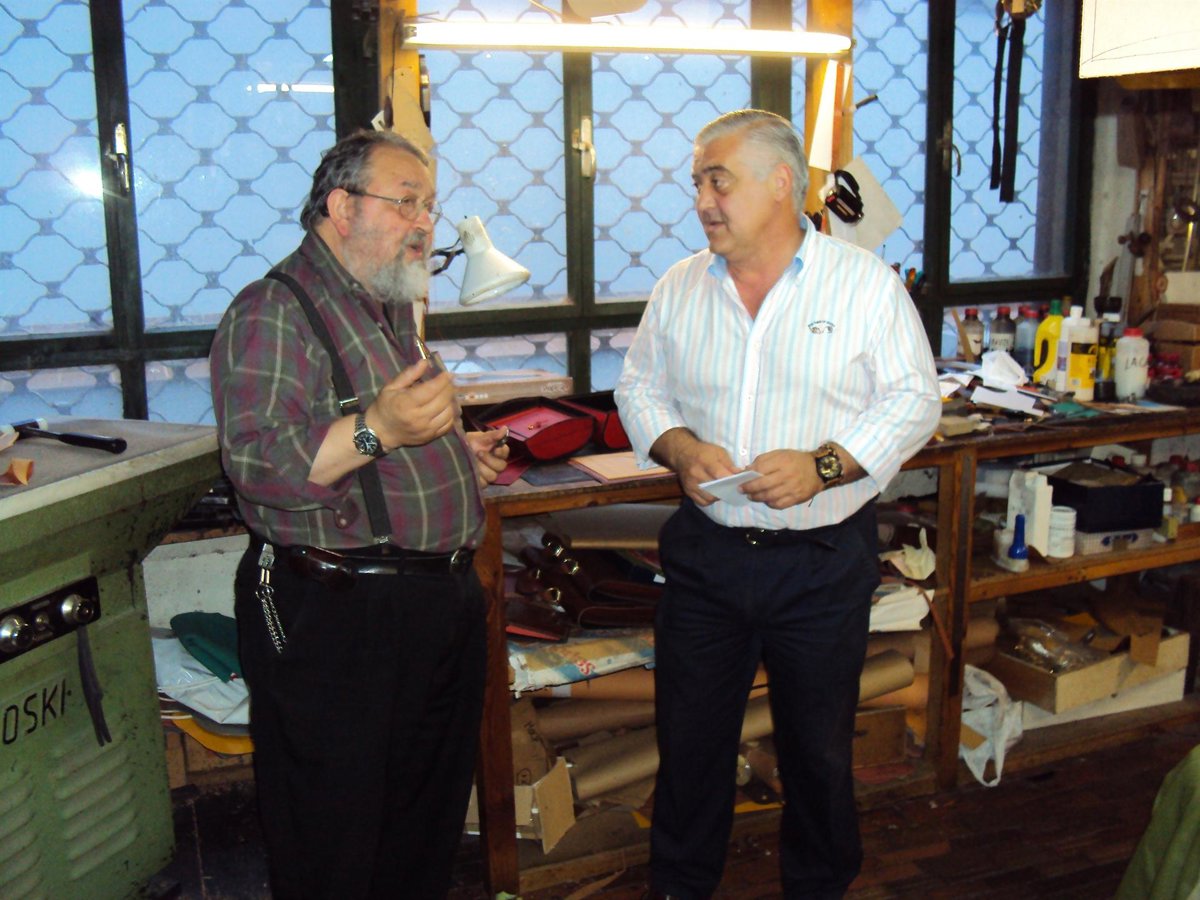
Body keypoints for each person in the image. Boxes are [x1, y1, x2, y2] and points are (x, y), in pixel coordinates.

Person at [615, 109, 940, 899]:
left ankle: (819, 888)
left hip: (820, 562)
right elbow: (639, 388)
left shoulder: (862, 284)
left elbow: (914, 401)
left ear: (781, 184)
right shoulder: (681, 286)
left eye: (718, 180)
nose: (703, 200)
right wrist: (681, 449)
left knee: (817, 755)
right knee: (689, 750)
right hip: (709, 557)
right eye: (698, 182)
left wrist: (824, 465)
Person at [209, 129, 509, 899]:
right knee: (332, 836)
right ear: (342, 208)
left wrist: (455, 455)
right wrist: (381, 429)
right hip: (339, 612)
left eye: (430, 206)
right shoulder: (273, 311)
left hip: (431, 604)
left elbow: (379, 435)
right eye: (406, 202)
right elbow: (258, 464)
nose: (426, 223)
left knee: (423, 825)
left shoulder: (386, 305)